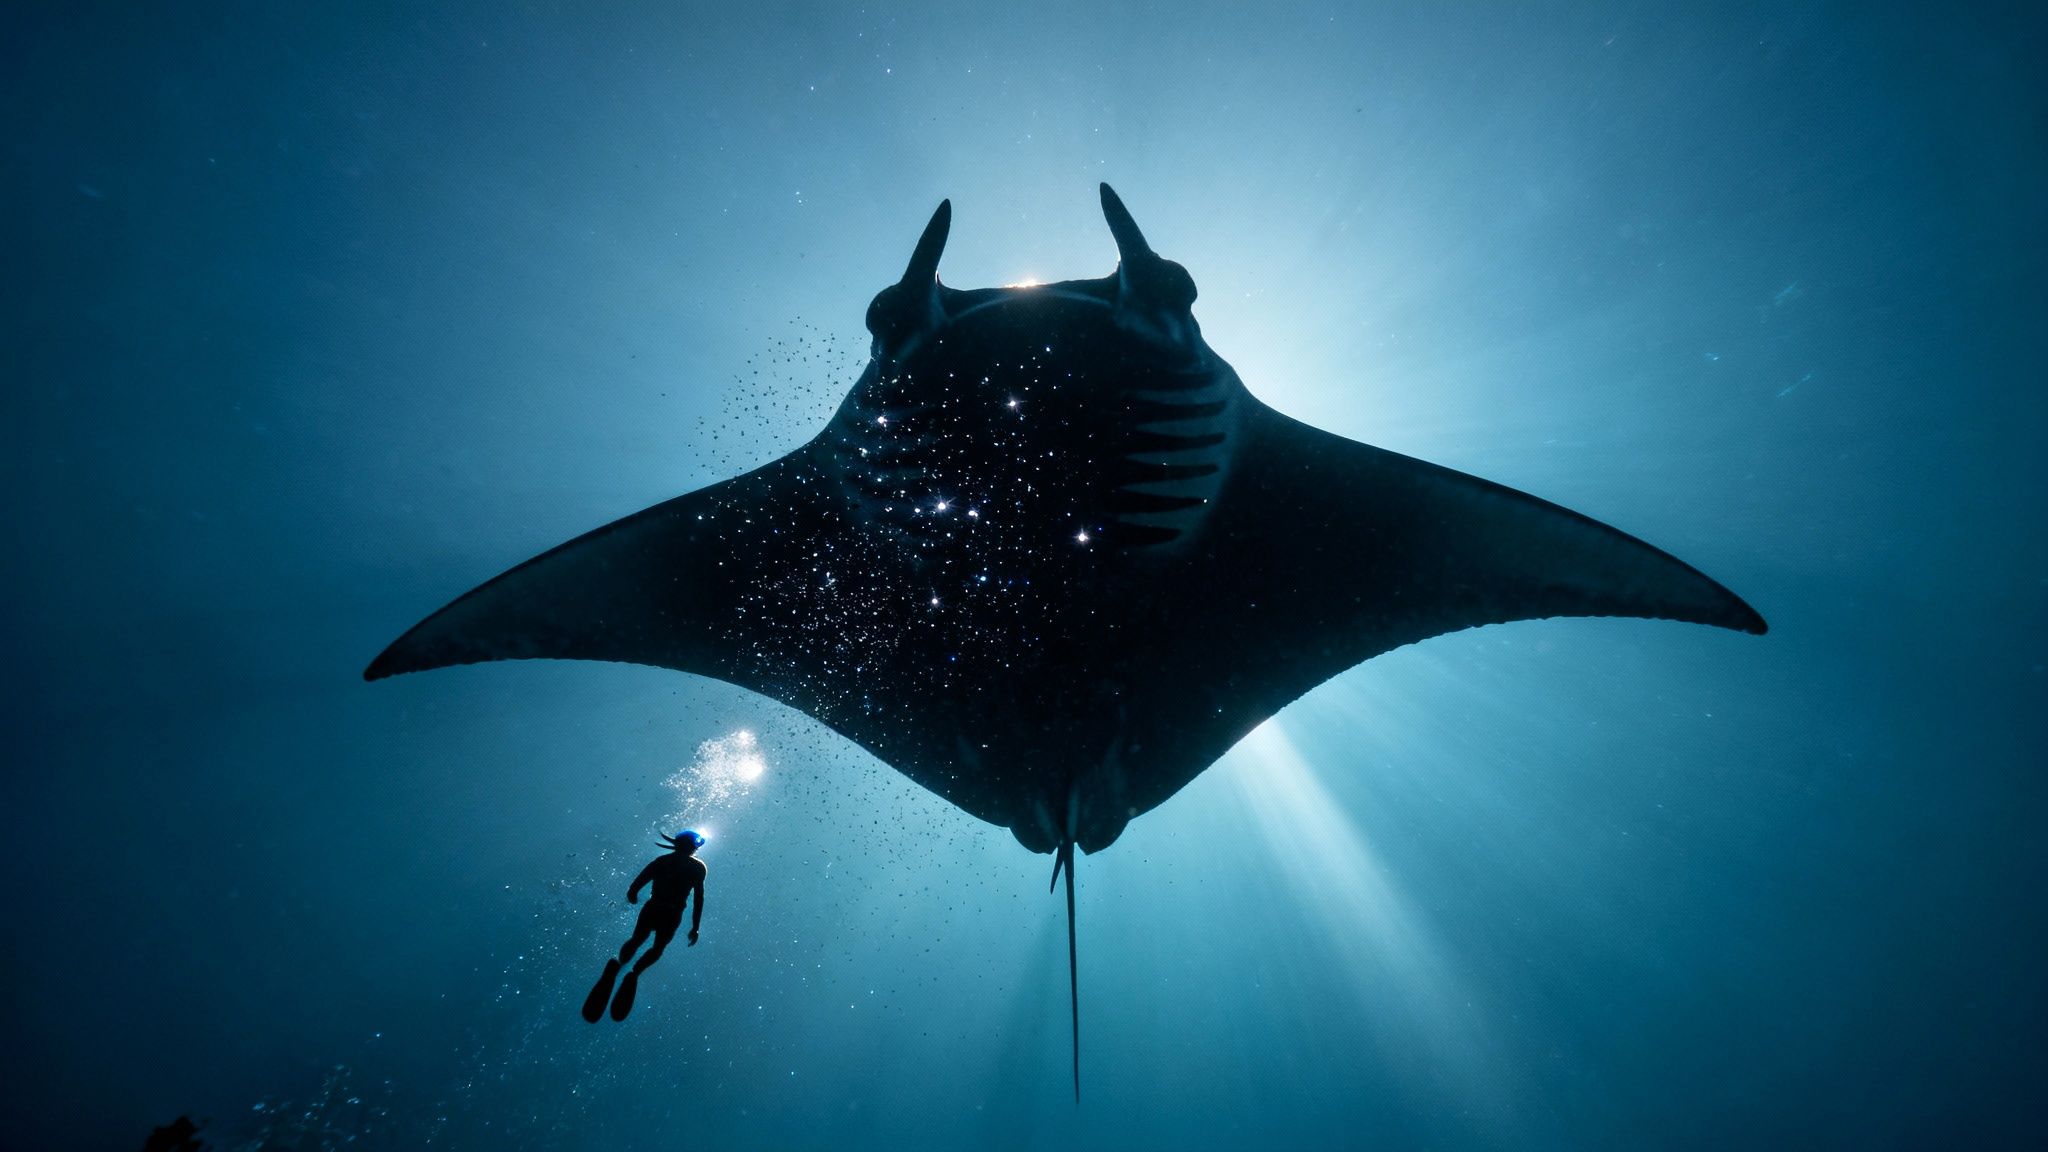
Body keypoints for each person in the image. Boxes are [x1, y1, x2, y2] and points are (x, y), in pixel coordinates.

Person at [583, 830, 706, 1022]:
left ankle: (624, 966)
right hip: (669, 912)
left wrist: (633, 892)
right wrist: (695, 926)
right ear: (692, 847)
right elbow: (698, 898)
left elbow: (640, 881)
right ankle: (633, 971)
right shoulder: (694, 867)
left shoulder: (667, 862)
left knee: (642, 941)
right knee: (654, 946)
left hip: (658, 909)